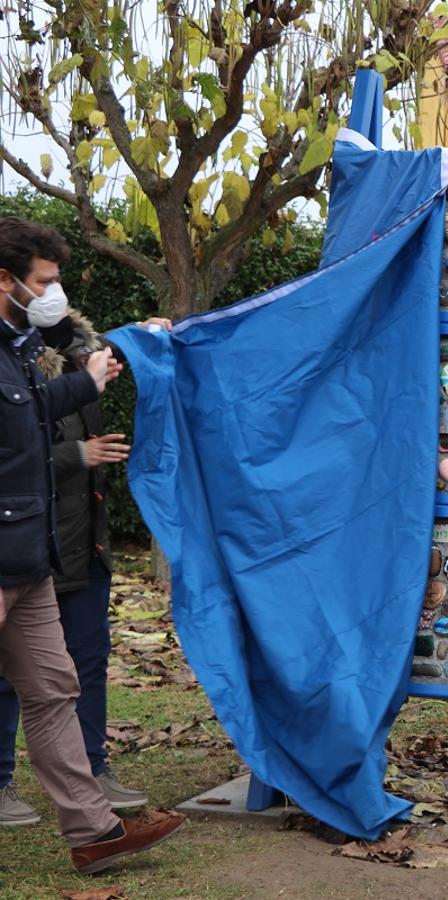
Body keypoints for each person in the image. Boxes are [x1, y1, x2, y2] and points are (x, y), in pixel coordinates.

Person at [0, 216, 183, 873]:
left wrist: (110, 363)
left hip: (31, 562)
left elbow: (42, 398)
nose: (51, 295)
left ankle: (94, 832)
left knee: (53, 692)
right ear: (5, 279)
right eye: (43, 282)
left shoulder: (17, 346)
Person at [0, 307, 148, 828]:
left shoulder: (76, 351)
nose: (51, 292)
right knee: (15, 678)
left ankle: (92, 798)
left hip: (72, 545)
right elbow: (22, 445)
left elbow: (106, 356)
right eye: (42, 280)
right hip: (23, 545)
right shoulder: (13, 361)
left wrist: (145, 335)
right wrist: (75, 456)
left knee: (71, 671)